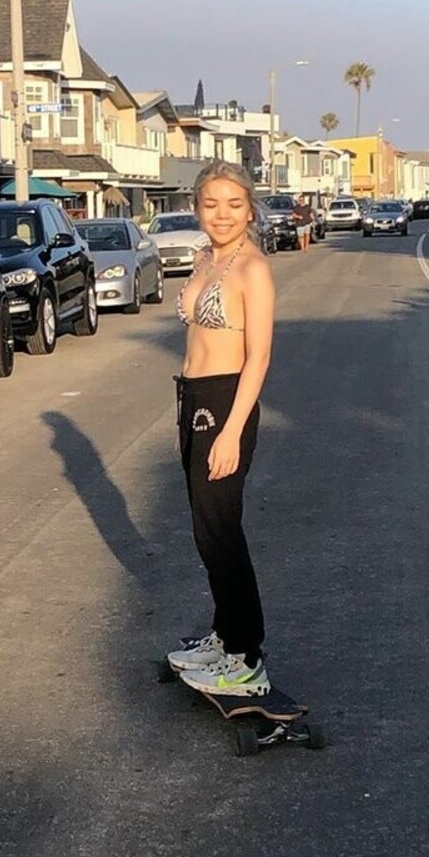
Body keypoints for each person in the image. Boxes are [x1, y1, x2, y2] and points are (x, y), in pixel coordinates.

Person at [168, 160, 275, 696]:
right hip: (193, 399)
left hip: (226, 401)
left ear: (250, 210)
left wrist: (231, 432)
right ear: (197, 208)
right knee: (205, 527)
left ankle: (246, 657)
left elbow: (258, 357)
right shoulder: (206, 258)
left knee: (220, 532)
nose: (222, 214)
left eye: (234, 204)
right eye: (211, 204)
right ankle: (224, 634)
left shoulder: (252, 269)